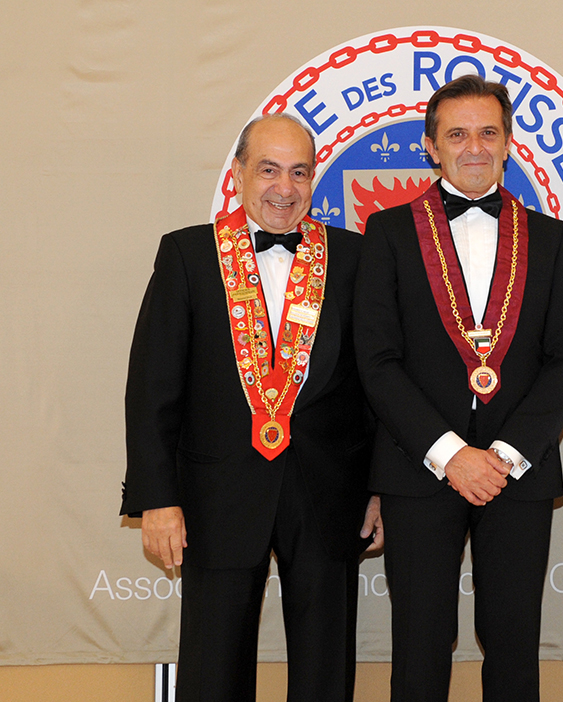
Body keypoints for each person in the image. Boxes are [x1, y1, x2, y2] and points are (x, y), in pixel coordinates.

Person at [120, 113, 381, 702]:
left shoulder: (352, 256)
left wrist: (379, 489)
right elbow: (153, 387)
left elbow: (375, 384)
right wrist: (158, 499)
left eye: (299, 172)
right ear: (238, 173)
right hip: (217, 494)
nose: (284, 188)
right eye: (268, 170)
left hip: (329, 493)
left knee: (325, 670)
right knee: (213, 668)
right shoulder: (187, 254)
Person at [354, 74, 563, 702]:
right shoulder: (388, 233)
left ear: (509, 143)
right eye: (457, 135)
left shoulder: (551, 238)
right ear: (432, 147)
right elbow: (377, 361)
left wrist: (505, 456)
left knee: (513, 643)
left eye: (488, 132)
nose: (475, 147)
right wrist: (451, 454)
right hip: (418, 468)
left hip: (518, 473)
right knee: (420, 644)